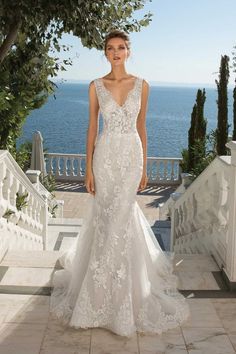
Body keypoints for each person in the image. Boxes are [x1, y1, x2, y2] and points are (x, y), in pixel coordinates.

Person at [49, 29, 190, 337]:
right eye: (110, 48)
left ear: (129, 51)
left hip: (131, 159)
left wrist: (143, 168)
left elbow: (142, 127)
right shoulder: (95, 86)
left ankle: (127, 297)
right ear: (105, 53)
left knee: (121, 220)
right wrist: (87, 168)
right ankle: (97, 296)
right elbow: (91, 129)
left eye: (121, 47)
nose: (116, 52)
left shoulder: (142, 85)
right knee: (105, 219)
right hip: (105, 158)